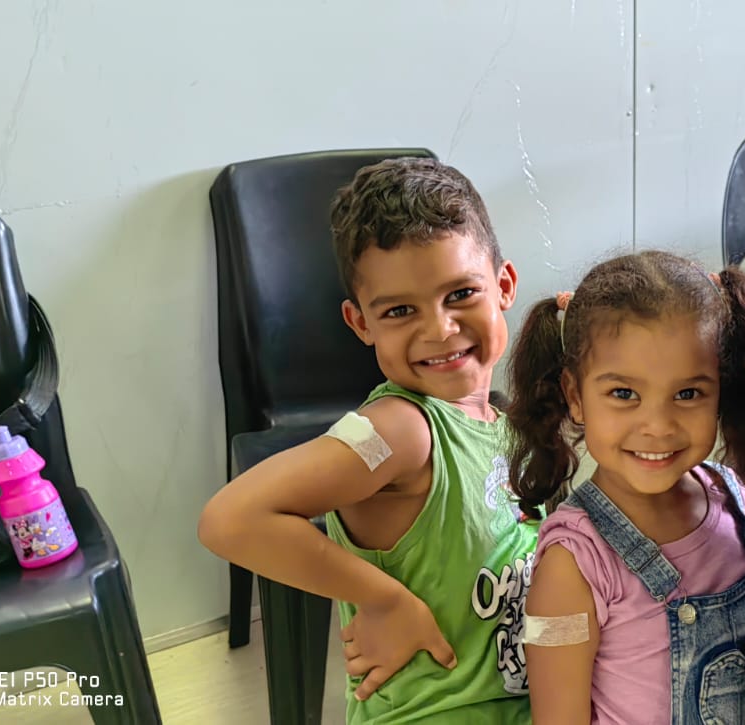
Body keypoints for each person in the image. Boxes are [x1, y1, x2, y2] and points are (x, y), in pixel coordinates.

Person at [197, 158, 538, 724]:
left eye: (460, 293)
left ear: (503, 286)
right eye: (401, 310)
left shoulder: (499, 422)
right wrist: (385, 599)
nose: (438, 328)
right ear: (361, 323)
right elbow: (228, 520)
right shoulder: (399, 432)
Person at [504, 251, 745, 724]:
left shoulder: (730, 501)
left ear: (720, 389)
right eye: (624, 394)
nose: (657, 425)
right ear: (575, 397)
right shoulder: (572, 564)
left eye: (687, 393)